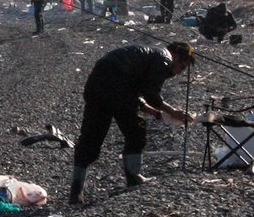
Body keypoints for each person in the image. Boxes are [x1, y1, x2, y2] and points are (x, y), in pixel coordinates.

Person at [70, 42, 196, 204]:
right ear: (177, 56)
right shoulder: (164, 58)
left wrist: (157, 114)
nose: (179, 72)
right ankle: (133, 177)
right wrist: (174, 112)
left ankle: (76, 191)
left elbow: (133, 92)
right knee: (136, 131)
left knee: (91, 137)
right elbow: (150, 94)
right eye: (182, 67)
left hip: (96, 84)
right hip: (117, 86)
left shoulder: (148, 55)